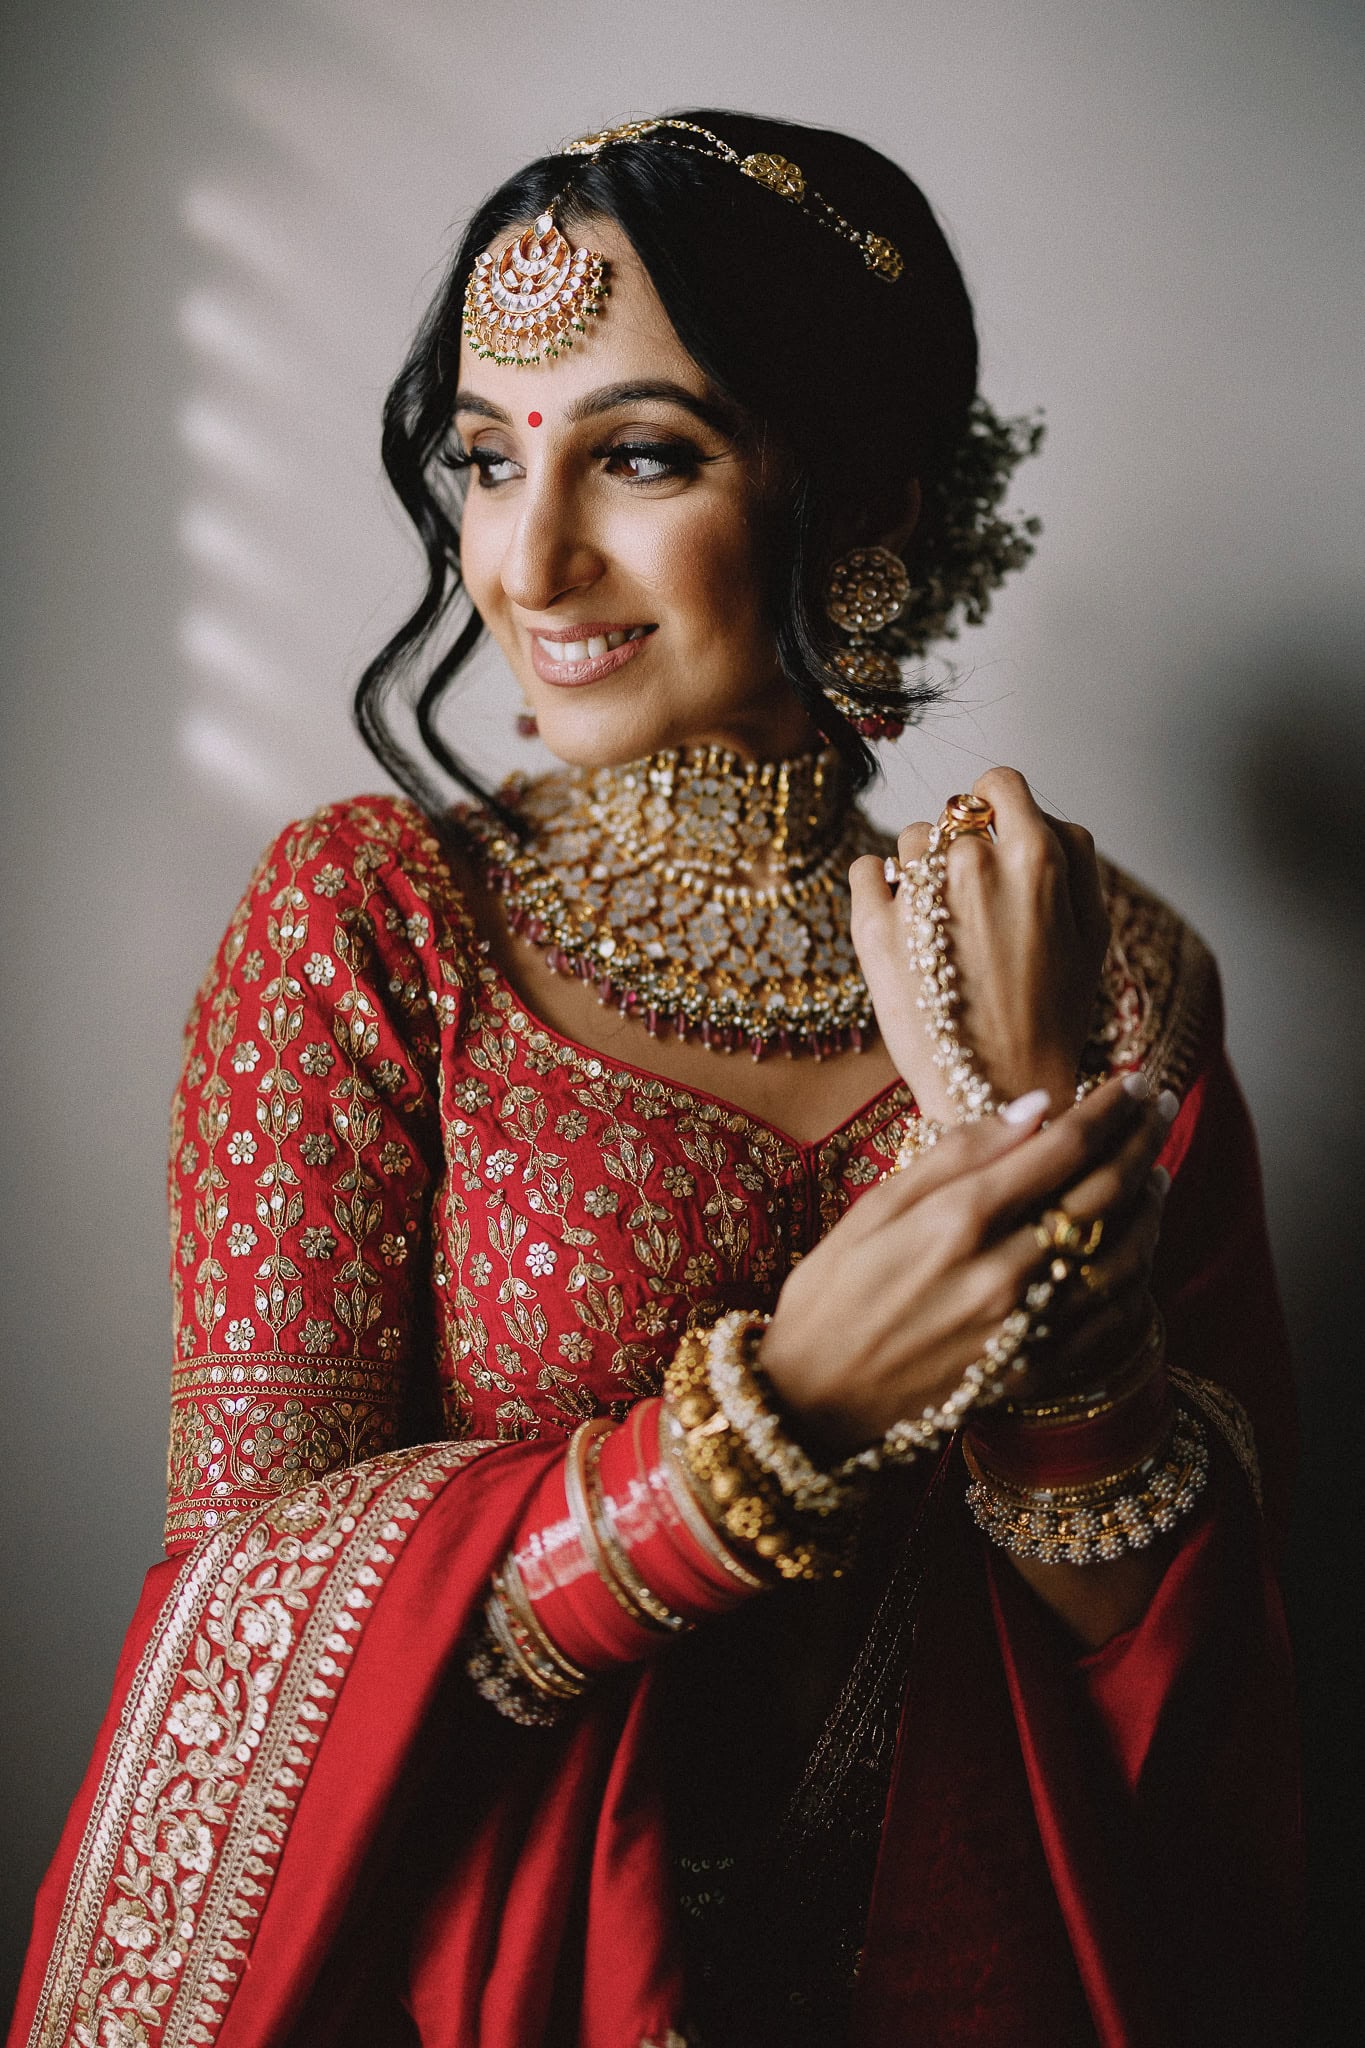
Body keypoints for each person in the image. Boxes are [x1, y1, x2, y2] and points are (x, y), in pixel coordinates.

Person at [9, 112, 1299, 2048]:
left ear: (850, 497)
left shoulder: (1090, 972)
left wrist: (1035, 1182)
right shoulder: (373, 928)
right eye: (481, 456)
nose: (523, 560)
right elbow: (238, 1659)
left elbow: (1188, 1715)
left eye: (635, 454)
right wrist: (762, 1425)